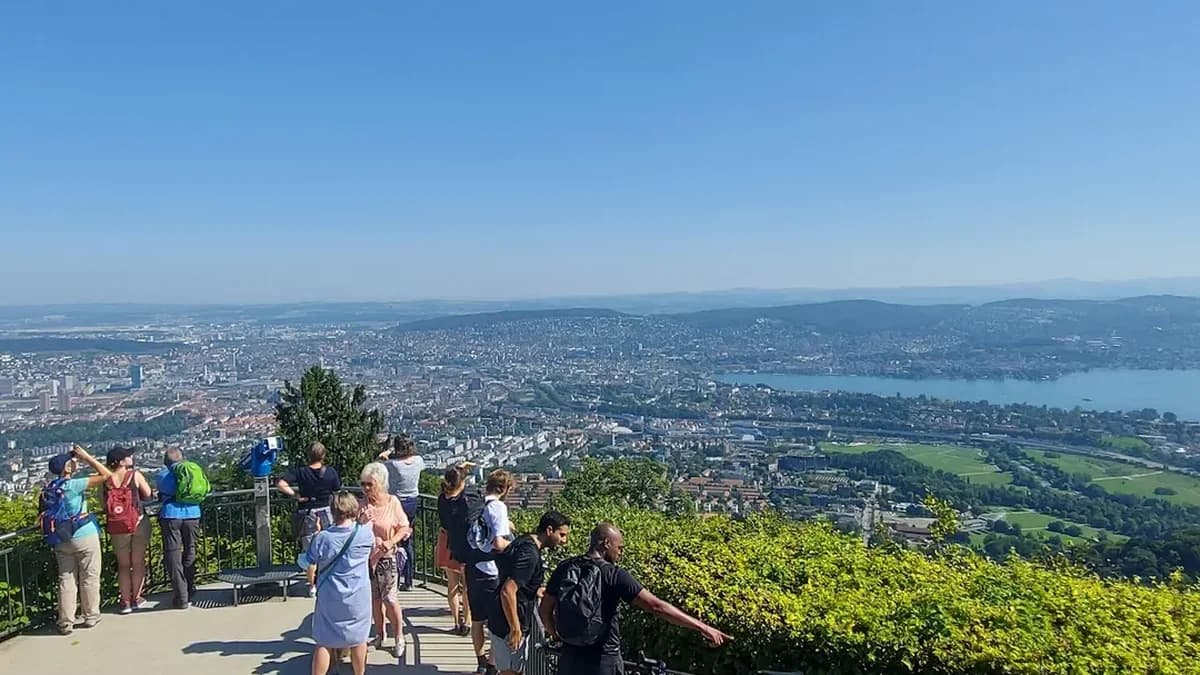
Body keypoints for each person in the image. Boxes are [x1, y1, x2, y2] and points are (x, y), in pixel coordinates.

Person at [539, 523, 732, 675]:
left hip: (569, 658)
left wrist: (557, 635)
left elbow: (545, 608)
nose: (620, 553)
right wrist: (703, 627)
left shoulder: (565, 567)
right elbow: (656, 606)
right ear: (606, 543)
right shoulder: (614, 575)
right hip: (603, 660)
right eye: (619, 547)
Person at [490, 511, 572, 675]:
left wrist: (534, 590)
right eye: (561, 535)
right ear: (549, 530)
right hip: (509, 624)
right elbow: (508, 591)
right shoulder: (530, 555)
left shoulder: (524, 541)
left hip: (500, 618)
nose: (564, 541)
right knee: (511, 672)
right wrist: (515, 628)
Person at [305, 490, 375, 675]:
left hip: (330, 594)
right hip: (358, 596)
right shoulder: (366, 535)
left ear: (333, 511)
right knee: (359, 639)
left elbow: (311, 559)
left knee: (324, 641)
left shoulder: (323, 538)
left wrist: (318, 533)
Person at [44, 445, 111, 635]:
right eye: (71, 461)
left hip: (60, 538)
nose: (74, 462)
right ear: (66, 468)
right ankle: (91, 616)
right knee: (89, 576)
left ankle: (66, 621)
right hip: (83, 534)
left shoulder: (50, 488)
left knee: (66, 579)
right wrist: (88, 458)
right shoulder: (73, 485)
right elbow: (106, 475)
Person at [358, 461, 411, 660]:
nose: (365, 488)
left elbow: (404, 527)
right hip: (367, 560)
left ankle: (399, 636)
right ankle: (380, 634)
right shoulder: (362, 505)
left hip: (387, 558)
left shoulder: (392, 502)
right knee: (375, 600)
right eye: (363, 484)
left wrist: (391, 541)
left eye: (369, 484)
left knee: (390, 599)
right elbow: (352, 531)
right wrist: (361, 522)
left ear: (380, 483)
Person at [465, 469, 516, 675]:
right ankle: (493, 665)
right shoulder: (498, 507)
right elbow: (498, 542)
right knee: (497, 620)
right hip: (492, 570)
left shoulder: (477, 503)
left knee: (477, 618)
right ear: (504, 488)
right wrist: (516, 547)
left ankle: (480, 660)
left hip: (473, 566)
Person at [277, 441, 342, 596]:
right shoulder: (330, 472)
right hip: (327, 511)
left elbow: (280, 483)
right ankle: (330, 579)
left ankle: (312, 585)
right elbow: (337, 488)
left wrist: (295, 495)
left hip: (307, 512)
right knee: (330, 546)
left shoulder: (301, 472)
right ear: (323, 455)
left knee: (311, 551)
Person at [102, 446, 153, 614]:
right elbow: (148, 494)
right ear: (122, 461)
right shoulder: (134, 475)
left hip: (117, 527)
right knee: (138, 563)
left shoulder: (106, 481)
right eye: (128, 456)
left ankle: (125, 602)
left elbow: (104, 505)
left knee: (123, 565)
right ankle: (137, 598)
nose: (131, 457)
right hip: (137, 522)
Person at [158, 447, 201, 609]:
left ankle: (181, 596)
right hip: (193, 513)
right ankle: (190, 587)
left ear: (166, 462)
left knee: (173, 554)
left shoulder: (163, 475)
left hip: (171, 515)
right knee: (190, 549)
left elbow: (162, 492)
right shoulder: (191, 471)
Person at [378, 435, 423, 591]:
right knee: (406, 540)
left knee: (392, 539)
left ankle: (393, 579)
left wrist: (385, 454)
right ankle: (408, 579)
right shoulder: (419, 461)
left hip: (396, 504)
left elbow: (379, 465)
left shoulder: (393, 465)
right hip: (412, 502)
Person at [436, 463, 474, 635]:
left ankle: (456, 621)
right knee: (467, 587)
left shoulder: (442, 499)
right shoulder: (464, 502)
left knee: (452, 586)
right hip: (464, 546)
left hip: (447, 542)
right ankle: (467, 621)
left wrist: (461, 469)